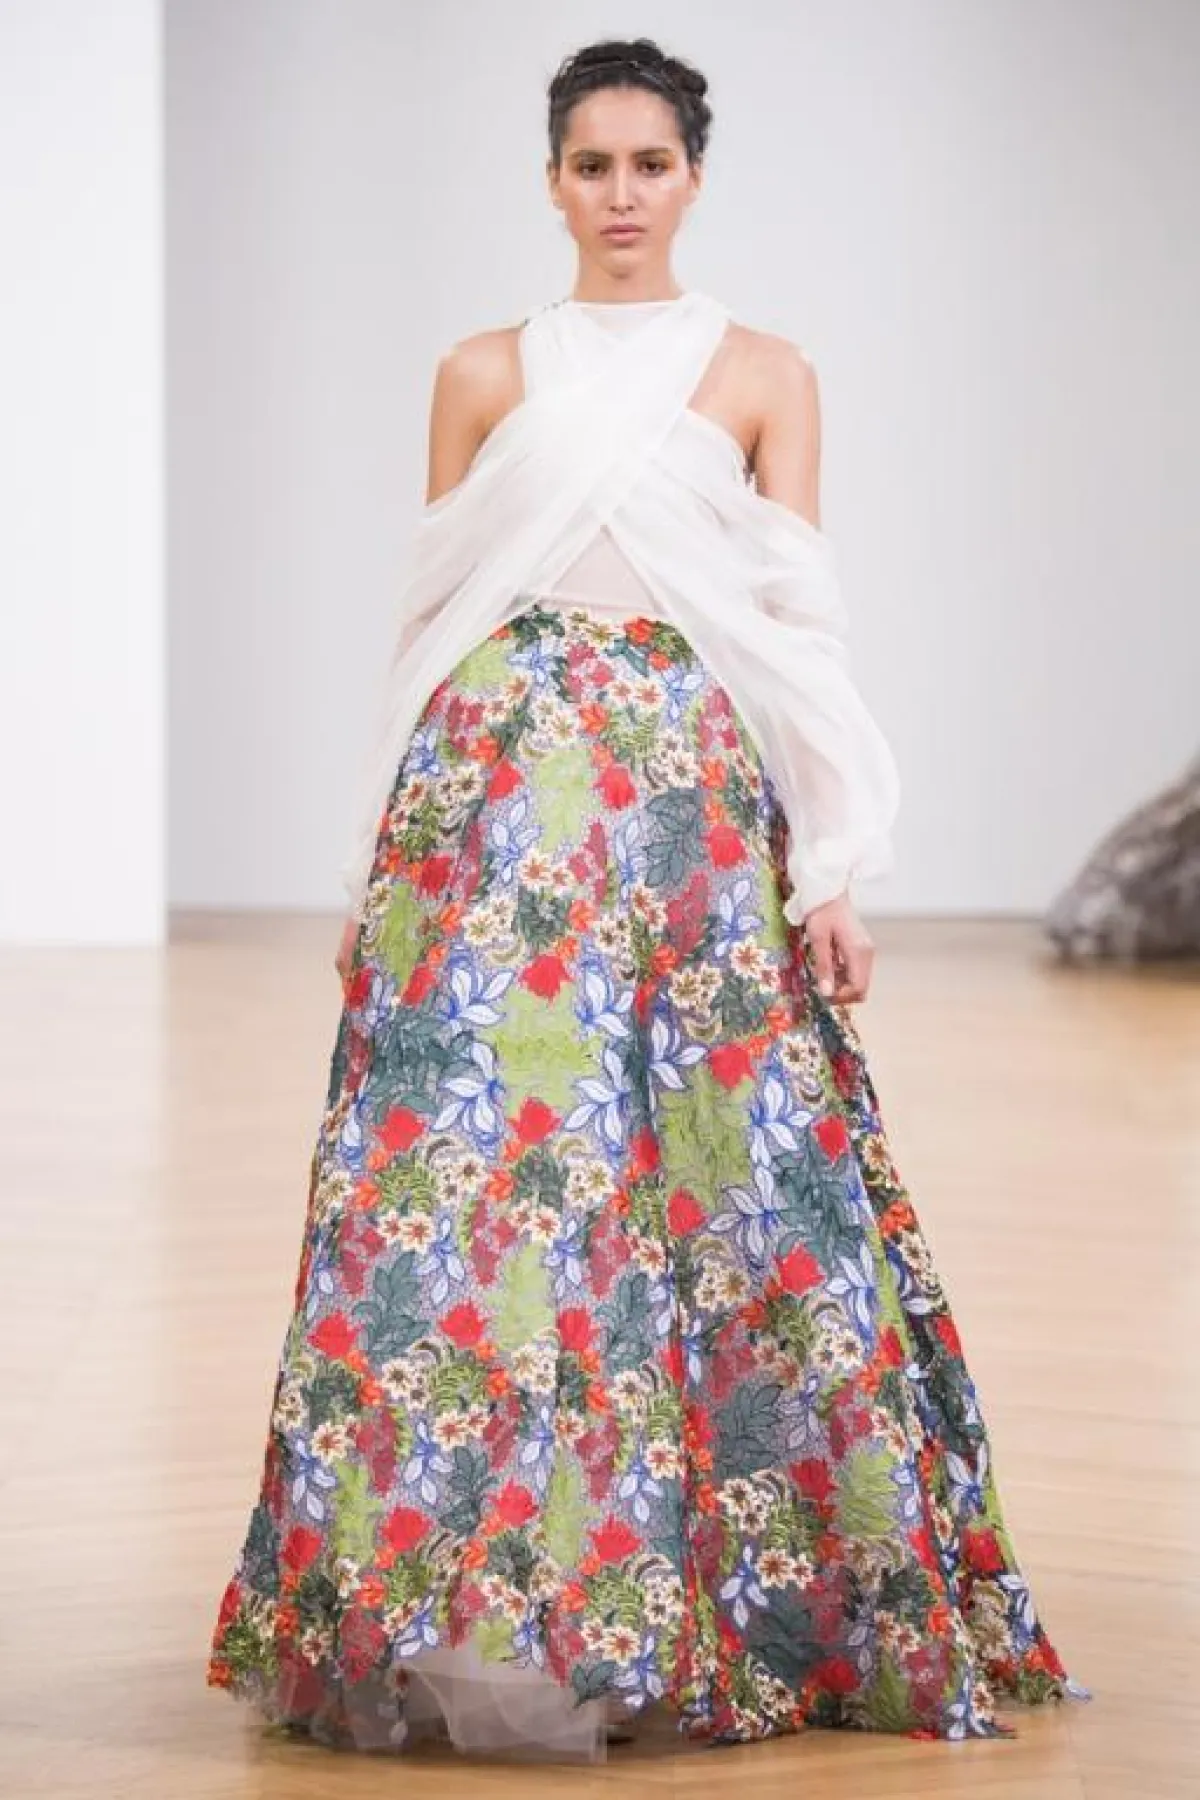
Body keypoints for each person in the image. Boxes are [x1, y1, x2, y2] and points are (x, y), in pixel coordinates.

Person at [206, 34, 1089, 1763]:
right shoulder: (481, 370)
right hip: (492, 791)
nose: (621, 194)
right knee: (473, 1183)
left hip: (684, 800)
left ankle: (725, 1597)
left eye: (651, 164)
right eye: (592, 165)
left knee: (717, 1169)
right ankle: (461, 1596)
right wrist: (373, 860)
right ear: (552, 181)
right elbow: (433, 620)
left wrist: (833, 865)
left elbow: (795, 630)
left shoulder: (764, 372)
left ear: (695, 177)